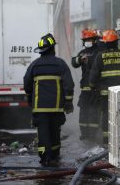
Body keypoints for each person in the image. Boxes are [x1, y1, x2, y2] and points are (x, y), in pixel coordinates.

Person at [24, 33, 74, 166]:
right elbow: (69, 84)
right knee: (55, 132)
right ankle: (55, 156)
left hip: (40, 108)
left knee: (43, 133)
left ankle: (45, 157)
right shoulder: (60, 64)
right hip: (56, 108)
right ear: (52, 48)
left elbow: (26, 83)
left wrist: (30, 97)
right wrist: (68, 101)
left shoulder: (34, 65)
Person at [89, 29, 120, 145]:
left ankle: (107, 140)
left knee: (107, 114)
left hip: (106, 93)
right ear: (116, 42)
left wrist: (93, 87)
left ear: (105, 43)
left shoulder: (100, 56)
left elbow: (93, 76)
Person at [71, 29, 103, 141]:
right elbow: (73, 63)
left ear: (94, 40)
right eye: (86, 40)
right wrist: (80, 59)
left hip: (95, 88)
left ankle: (93, 134)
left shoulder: (99, 51)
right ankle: (84, 134)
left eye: (90, 39)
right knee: (83, 111)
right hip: (85, 88)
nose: (88, 41)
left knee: (94, 111)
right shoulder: (82, 53)